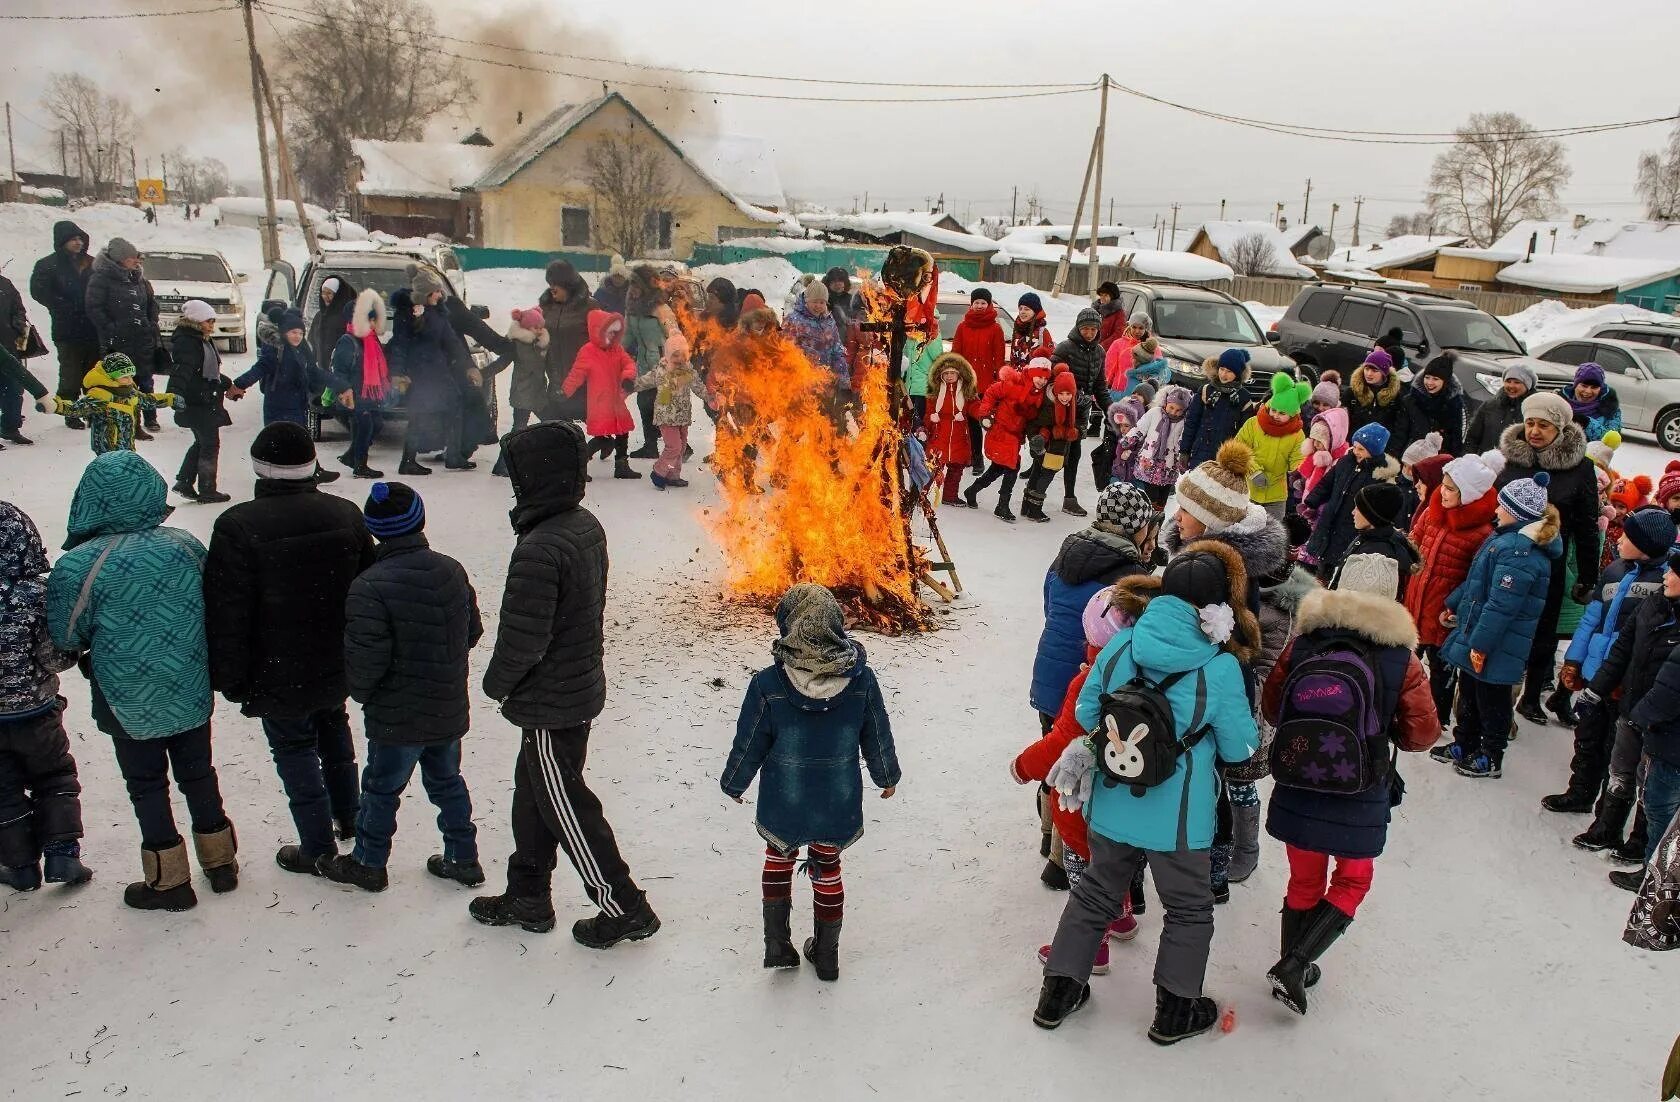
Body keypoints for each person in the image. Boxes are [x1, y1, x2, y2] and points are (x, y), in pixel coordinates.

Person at [1033, 546, 1260, 1039]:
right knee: (1188, 909)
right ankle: (1176, 1011)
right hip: (1179, 818)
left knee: (1095, 891)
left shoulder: (1122, 646)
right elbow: (1242, 747)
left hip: (1114, 798)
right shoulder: (1219, 668)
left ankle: (1058, 993)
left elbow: (1089, 716)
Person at [473, 421, 661, 948]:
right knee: (534, 793)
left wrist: (496, 684)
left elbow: (524, 640)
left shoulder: (540, 547)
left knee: (565, 803)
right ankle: (527, 893)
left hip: (551, 699)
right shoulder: (581, 525)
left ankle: (625, 906)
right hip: (572, 687)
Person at [46, 451, 236, 910]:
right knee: (199, 771)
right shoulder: (184, 545)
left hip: (124, 695)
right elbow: (214, 603)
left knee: (147, 783)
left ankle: (168, 879)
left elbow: (66, 635)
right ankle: (220, 861)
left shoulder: (80, 565)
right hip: (189, 682)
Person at [1260, 561, 1440, 1015]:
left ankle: (1292, 961)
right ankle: (1296, 964)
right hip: (1361, 786)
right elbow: (1422, 734)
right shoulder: (1401, 656)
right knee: (1354, 878)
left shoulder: (1304, 643)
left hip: (1299, 779)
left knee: (1304, 875)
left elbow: (1272, 708)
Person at [203, 423, 375, 875]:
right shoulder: (345, 514)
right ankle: (350, 814)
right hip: (335, 655)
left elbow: (228, 611)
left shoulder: (238, 526)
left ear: (261, 469)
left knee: (295, 749)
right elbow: (366, 587)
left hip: (275, 664)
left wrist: (231, 677)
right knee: (335, 730)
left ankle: (316, 846)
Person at [721, 584, 900, 980]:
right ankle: (827, 953)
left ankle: (777, 945)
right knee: (828, 866)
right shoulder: (862, 682)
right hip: (837, 799)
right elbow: (876, 733)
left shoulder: (768, 685)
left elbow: (750, 739)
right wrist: (885, 775)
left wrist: (735, 781)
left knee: (777, 859)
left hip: (784, 799)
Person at [323, 482, 484, 893]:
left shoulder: (369, 586)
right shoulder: (451, 569)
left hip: (397, 715)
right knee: (447, 781)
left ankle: (368, 862)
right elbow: (472, 630)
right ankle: (463, 856)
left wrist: (363, 692)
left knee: (381, 788)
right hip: (447, 706)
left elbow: (365, 660)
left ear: (374, 529)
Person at [1014, 585, 1144, 975]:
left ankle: (1093, 947)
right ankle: (1121, 918)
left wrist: (1023, 766)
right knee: (1113, 863)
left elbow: (1061, 739)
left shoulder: (1089, 682)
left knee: (1086, 877)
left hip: (1081, 805)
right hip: (1127, 798)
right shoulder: (1145, 674)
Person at [1543, 507, 1676, 815]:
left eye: (1628, 537)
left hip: (1628, 680)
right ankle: (1580, 793)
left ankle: (1609, 812)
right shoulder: (1615, 570)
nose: (1620, 540)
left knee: (1617, 749)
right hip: (1595, 672)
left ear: (1646, 545)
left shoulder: (1665, 580)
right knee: (1587, 738)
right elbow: (1591, 620)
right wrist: (1574, 661)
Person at [1430, 475, 1562, 779]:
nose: (1496, 509)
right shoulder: (1501, 539)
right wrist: (1454, 605)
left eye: (1503, 505)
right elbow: (1477, 581)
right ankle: (1465, 742)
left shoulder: (1521, 553)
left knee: (1492, 700)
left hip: (1498, 643)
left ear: (1518, 513)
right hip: (1479, 632)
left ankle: (1491, 754)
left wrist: (1481, 644)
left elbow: (1502, 607)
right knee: (1471, 692)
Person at [1570, 545, 1680, 866]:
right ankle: (1607, 827)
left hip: (1663, 722)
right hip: (1631, 707)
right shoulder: (1652, 605)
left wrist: (1651, 714)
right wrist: (1596, 689)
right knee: (1619, 772)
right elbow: (1621, 650)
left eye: (1675, 573)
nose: (1667, 576)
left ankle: (1640, 842)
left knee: (1651, 786)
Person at [0, 502, 90, 891]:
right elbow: (53, 657)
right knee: (54, 777)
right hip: (38, 713)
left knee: (3, 791)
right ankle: (62, 854)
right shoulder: (37, 595)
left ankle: (19, 867)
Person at [1497, 391, 1602, 724]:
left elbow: (1587, 524)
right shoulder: (1516, 459)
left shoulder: (1580, 467)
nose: (1534, 431)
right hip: (1508, 556)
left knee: (1542, 632)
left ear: (1559, 428)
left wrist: (1587, 575)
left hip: (1549, 561)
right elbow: (1494, 507)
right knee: (1503, 624)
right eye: (1530, 423)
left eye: (1543, 425)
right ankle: (1499, 695)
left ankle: (1530, 698)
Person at [1405, 448, 1504, 721]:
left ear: (1469, 494)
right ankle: (1406, 707)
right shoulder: (1431, 513)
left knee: (1441, 664)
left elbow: (1475, 577)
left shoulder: (1481, 533)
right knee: (1407, 657)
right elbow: (1415, 541)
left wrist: (1455, 607)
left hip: (1444, 609)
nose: (1443, 492)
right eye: (1443, 486)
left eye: (1451, 489)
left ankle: (1438, 714)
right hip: (1417, 597)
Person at [1614, 573, 1680, 893]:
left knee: (1660, 812)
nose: (1666, 575)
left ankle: (1655, 879)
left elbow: (1667, 692)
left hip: (1670, 744)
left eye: (1675, 570)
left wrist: (1637, 718)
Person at [84, 237, 163, 439]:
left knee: (146, 380)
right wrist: (112, 328)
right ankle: (130, 424)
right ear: (119, 259)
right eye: (130, 258)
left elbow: (151, 303)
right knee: (123, 383)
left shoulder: (139, 278)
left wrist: (151, 322)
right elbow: (94, 308)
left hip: (142, 337)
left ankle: (150, 416)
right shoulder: (101, 279)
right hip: (118, 340)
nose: (136, 262)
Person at [1304, 423, 1403, 577]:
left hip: (1352, 528)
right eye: (1355, 447)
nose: (1356, 451)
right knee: (1323, 564)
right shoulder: (1345, 462)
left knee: (1342, 567)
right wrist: (1312, 501)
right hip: (1330, 522)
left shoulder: (1379, 476)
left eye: (1361, 449)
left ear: (1375, 451)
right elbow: (1327, 483)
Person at [29, 220, 99, 429]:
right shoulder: (47, 265)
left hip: (92, 328)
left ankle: (92, 411)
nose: (78, 243)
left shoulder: (92, 263)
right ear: (62, 242)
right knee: (70, 373)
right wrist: (61, 305)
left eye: (80, 239)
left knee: (93, 372)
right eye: (73, 239)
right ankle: (70, 411)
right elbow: (39, 291)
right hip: (66, 329)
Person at [169, 300, 240, 504]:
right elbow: (181, 371)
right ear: (197, 320)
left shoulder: (199, 339)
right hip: (197, 402)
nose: (211, 325)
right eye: (208, 321)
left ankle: (184, 481)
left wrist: (227, 385)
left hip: (202, 400)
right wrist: (175, 394)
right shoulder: (189, 343)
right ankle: (207, 489)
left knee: (202, 442)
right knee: (210, 444)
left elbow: (210, 374)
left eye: (213, 321)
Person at [561, 309, 642, 480]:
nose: (613, 336)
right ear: (600, 331)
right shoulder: (588, 351)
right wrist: (565, 391)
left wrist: (628, 377)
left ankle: (621, 465)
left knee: (622, 432)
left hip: (616, 400)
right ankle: (579, 467)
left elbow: (629, 364)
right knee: (602, 437)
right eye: (610, 332)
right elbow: (576, 374)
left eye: (615, 332)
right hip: (600, 403)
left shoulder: (617, 349)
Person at [967, 360, 1051, 522]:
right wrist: (985, 414)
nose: (1042, 381)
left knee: (998, 468)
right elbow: (991, 392)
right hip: (1000, 430)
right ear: (1032, 374)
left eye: (1045, 378)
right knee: (1012, 467)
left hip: (1015, 435)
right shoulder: (1014, 384)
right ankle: (1002, 505)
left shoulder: (1039, 395)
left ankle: (972, 490)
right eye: (1039, 376)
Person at [44, 352, 176, 455]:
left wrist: (171, 399)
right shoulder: (100, 396)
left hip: (127, 448)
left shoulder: (131, 393)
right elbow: (75, 409)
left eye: (131, 375)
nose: (130, 380)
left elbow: (148, 400)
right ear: (111, 377)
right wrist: (55, 405)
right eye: (125, 376)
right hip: (106, 451)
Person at [1050, 308, 1110, 515]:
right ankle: (1033, 497)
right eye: (1085, 328)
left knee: (1074, 455)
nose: (1090, 333)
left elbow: (1100, 386)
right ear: (1078, 327)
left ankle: (1069, 497)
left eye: (1094, 329)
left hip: (1081, 412)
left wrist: (1111, 409)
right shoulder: (1065, 348)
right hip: (1062, 409)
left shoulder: (1100, 352)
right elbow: (1053, 379)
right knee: (1054, 455)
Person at [328, 289, 390, 480]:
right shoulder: (348, 341)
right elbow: (339, 370)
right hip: (355, 394)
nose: (373, 324)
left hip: (368, 395)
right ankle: (360, 465)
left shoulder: (370, 339)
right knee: (365, 426)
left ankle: (350, 456)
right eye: (370, 320)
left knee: (376, 424)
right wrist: (344, 391)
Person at [634, 332, 707, 490]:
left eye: (682, 355)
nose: (679, 359)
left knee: (681, 447)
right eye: (675, 355)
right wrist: (630, 386)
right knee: (673, 447)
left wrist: (711, 398)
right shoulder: (662, 370)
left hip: (682, 415)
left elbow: (699, 387)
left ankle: (673, 475)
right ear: (667, 355)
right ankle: (659, 471)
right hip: (666, 416)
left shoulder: (688, 371)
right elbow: (645, 381)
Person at [1235, 373, 1311, 521]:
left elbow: (1298, 459)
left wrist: (1299, 476)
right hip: (1246, 489)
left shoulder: (1297, 434)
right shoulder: (1253, 423)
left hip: (1276, 495)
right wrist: (1253, 471)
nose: (1276, 415)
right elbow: (1238, 450)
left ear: (1292, 414)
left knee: (1271, 534)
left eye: (1282, 413)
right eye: (1274, 410)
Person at [1326, 483, 1419, 601]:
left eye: (1358, 508)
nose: (1353, 512)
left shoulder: (1378, 555)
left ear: (1372, 515)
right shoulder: (1369, 536)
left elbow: (1360, 607)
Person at [949, 288, 1007, 474]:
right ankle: (975, 458)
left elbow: (999, 357)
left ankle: (989, 457)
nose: (980, 306)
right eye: (977, 303)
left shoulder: (996, 328)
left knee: (983, 421)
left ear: (988, 304)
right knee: (967, 422)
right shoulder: (962, 327)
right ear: (971, 304)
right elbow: (956, 354)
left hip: (986, 384)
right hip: (966, 383)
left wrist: (998, 383)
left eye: (983, 303)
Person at [783, 281, 851, 430]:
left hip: (825, 384)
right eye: (814, 302)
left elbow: (836, 348)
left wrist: (843, 377)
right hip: (802, 384)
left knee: (824, 425)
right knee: (796, 427)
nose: (818, 306)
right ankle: (787, 453)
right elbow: (786, 349)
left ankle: (823, 451)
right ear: (806, 301)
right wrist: (806, 355)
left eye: (822, 302)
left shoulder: (829, 321)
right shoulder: (794, 320)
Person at [1020, 370, 1084, 523]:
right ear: (1055, 392)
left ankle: (1027, 506)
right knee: (1045, 476)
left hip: (1056, 448)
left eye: (1068, 394)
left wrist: (1075, 432)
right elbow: (1038, 425)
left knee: (1037, 474)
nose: (1064, 397)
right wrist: (1043, 437)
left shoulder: (1071, 406)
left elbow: (1079, 426)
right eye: (1061, 393)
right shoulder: (1050, 407)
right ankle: (1035, 509)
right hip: (1050, 449)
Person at [539, 261, 597, 423]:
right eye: (550, 283)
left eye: (556, 283)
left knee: (597, 429)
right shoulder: (546, 306)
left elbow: (603, 342)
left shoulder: (590, 307)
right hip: (555, 380)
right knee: (558, 431)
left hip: (583, 384)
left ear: (568, 284)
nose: (552, 288)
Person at [1121, 384, 1194, 509]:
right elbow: (1140, 427)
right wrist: (1128, 440)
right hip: (1149, 462)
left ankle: (1157, 519)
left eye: (1178, 410)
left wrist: (1183, 458)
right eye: (1171, 408)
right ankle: (1148, 517)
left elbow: (1183, 442)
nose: (1174, 413)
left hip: (1169, 466)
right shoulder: (1155, 413)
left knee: (1162, 498)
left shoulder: (1184, 422)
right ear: (1165, 402)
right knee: (1151, 496)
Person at [623, 265, 669, 459]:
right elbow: (628, 336)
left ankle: (679, 446)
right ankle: (650, 446)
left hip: (663, 364)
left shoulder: (661, 308)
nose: (632, 288)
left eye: (636, 284)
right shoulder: (632, 310)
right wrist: (614, 351)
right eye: (631, 284)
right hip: (644, 363)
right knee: (644, 403)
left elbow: (674, 335)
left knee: (662, 406)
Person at [921, 352, 978, 506]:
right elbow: (928, 413)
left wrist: (984, 415)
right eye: (946, 373)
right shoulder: (935, 392)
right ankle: (921, 493)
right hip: (940, 434)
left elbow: (975, 408)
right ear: (941, 375)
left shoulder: (966, 392)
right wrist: (926, 427)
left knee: (956, 468)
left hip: (959, 435)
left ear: (959, 374)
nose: (950, 376)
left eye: (953, 373)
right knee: (933, 467)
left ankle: (950, 496)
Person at [1181, 349, 1255, 468]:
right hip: (1200, 451)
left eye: (1229, 371)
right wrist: (1184, 450)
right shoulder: (1206, 390)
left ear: (1238, 374)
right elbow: (1191, 422)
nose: (1223, 374)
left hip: (1225, 457)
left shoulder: (1243, 398)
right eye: (1222, 369)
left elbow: (1245, 432)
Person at [1341, 350, 1417, 460]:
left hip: (1381, 452)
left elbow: (1400, 429)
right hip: (1353, 450)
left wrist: (1391, 454)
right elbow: (1343, 423)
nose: (1369, 373)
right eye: (1366, 369)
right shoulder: (1352, 393)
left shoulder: (1397, 397)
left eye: (1374, 370)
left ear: (1384, 372)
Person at [1465, 362, 1535, 453]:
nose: (1511, 386)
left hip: (1518, 465)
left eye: (1517, 382)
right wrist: (1469, 458)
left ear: (1527, 385)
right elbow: (1472, 438)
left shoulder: (1534, 409)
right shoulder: (1489, 406)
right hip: (1486, 463)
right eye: (1508, 381)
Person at [504, 307, 551, 435]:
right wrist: (483, 374)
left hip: (539, 393)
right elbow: (501, 363)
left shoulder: (542, 344)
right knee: (519, 428)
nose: (540, 331)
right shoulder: (517, 345)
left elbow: (551, 365)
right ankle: (507, 454)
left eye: (541, 327)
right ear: (526, 328)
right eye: (536, 327)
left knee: (552, 423)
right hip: (522, 394)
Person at [1297, 405, 1348, 510]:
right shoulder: (1315, 456)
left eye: (1320, 441)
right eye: (1313, 439)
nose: (1315, 444)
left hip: (1321, 510)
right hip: (1308, 505)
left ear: (1333, 441)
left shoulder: (1339, 462)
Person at [307, 277, 357, 377]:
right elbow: (312, 343)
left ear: (338, 295)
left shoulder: (348, 317)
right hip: (321, 374)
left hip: (341, 374)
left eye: (329, 293)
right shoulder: (319, 316)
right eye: (323, 293)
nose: (325, 297)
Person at [1564, 362, 1623, 442]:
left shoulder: (1611, 408)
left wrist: (1587, 423)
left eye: (1594, 387)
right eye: (1584, 386)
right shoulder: (1559, 401)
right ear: (1576, 384)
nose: (1588, 391)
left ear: (1600, 388)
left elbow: (1611, 441)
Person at [903, 316, 943, 430]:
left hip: (923, 388)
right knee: (909, 423)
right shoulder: (910, 335)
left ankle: (921, 446)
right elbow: (906, 361)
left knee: (920, 424)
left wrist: (930, 336)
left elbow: (938, 357)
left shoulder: (932, 333)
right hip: (909, 387)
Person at [1009, 292, 1054, 369]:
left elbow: (1049, 359)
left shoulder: (1042, 333)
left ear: (1035, 312)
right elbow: (1013, 358)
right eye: (1020, 308)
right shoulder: (1017, 331)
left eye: (1027, 309)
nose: (1022, 312)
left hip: (1033, 378)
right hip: (1017, 378)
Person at [1093, 281, 1128, 349]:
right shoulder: (1096, 310)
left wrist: (1101, 346)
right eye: (1101, 295)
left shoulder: (1119, 313)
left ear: (1113, 297)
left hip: (1107, 352)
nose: (1102, 298)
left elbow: (1118, 335)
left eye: (1106, 295)